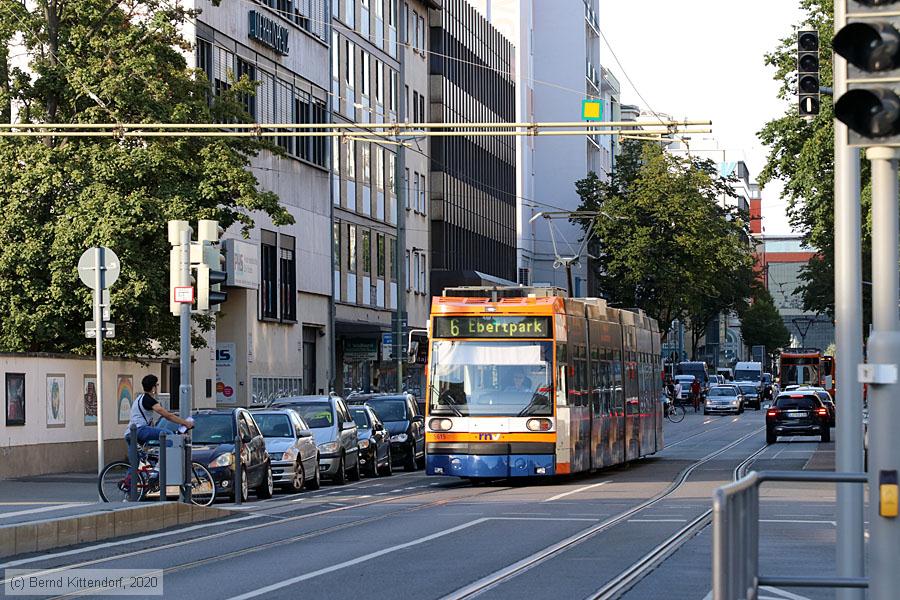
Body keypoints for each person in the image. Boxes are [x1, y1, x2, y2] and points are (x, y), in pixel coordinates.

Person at [123, 374, 193, 445]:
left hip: (129, 433)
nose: (157, 387)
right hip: (140, 430)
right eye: (157, 385)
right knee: (169, 435)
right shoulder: (149, 400)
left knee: (137, 455)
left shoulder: (140, 398)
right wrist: (185, 423)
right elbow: (168, 416)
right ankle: (169, 456)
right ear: (153, 388)